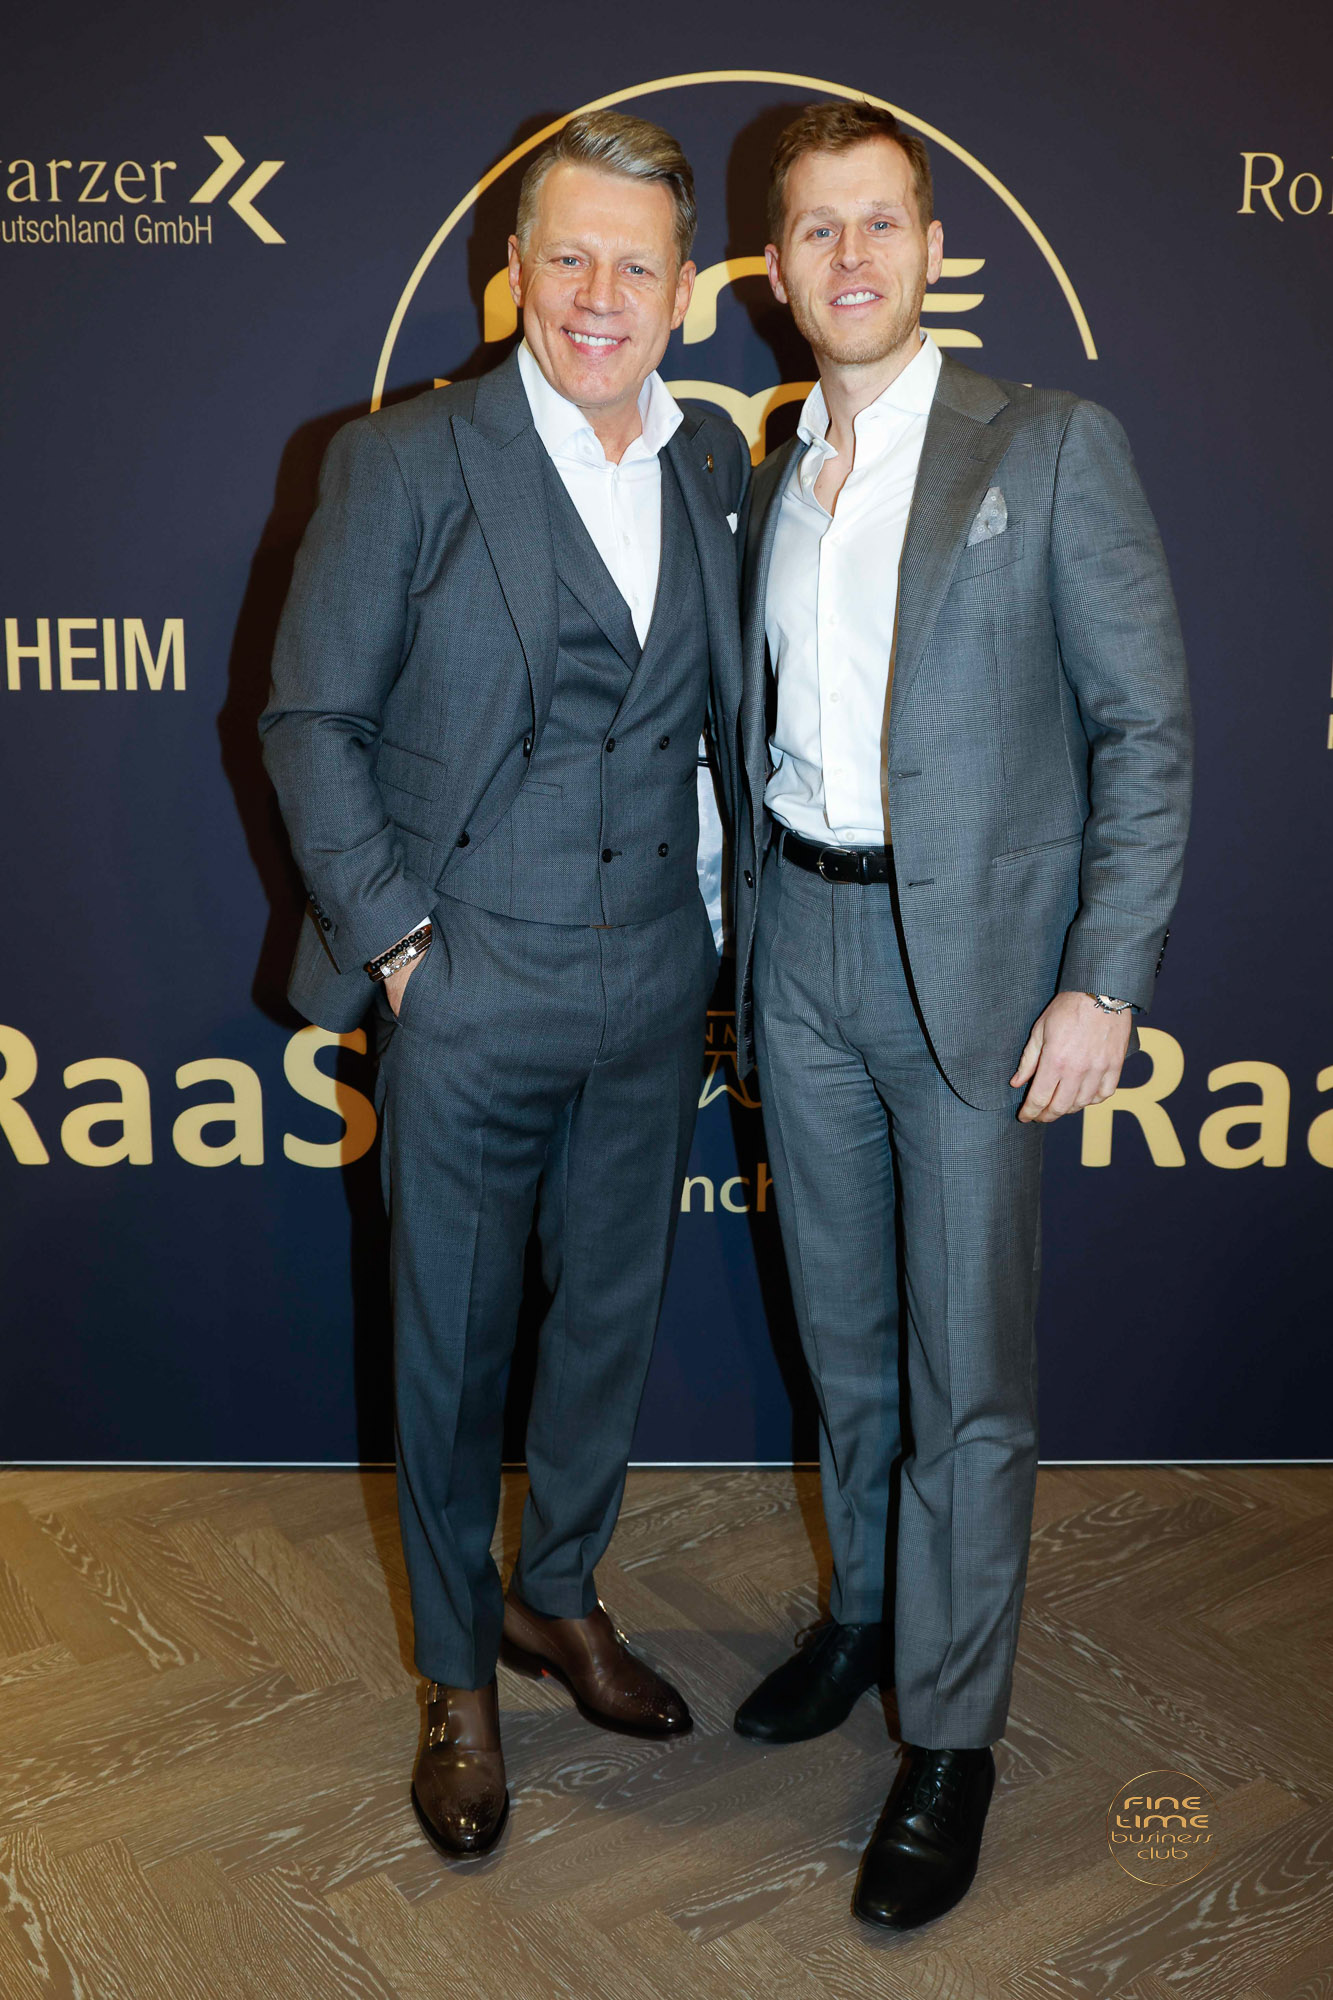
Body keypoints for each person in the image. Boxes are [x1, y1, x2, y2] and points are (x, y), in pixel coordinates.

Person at [260, 110, 748, 1861]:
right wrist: (403, 947)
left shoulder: (712, 461)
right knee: (452, 1352)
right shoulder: (402, 461)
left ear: (684, 295)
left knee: (607, 1326)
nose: (599, 295)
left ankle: (557, 1594)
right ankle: (458, 1678)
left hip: (655, 985)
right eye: (568, 257)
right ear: (514, 273)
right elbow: (310, 719)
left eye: (636, 265)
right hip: (467, 979)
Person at [728, 101, 1191, 1930]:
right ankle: (865, 1616)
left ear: (932, 251)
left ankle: (952, 1732)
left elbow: (1141, 728)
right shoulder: (774, 459)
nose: (850, 256)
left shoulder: (1050, 445)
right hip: (801, 957)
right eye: (816, 228)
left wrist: (1104, 975)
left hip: (981, 982)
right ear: (775, 271)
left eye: (881, 223)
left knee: (965, 1375)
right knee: (843, 1344)